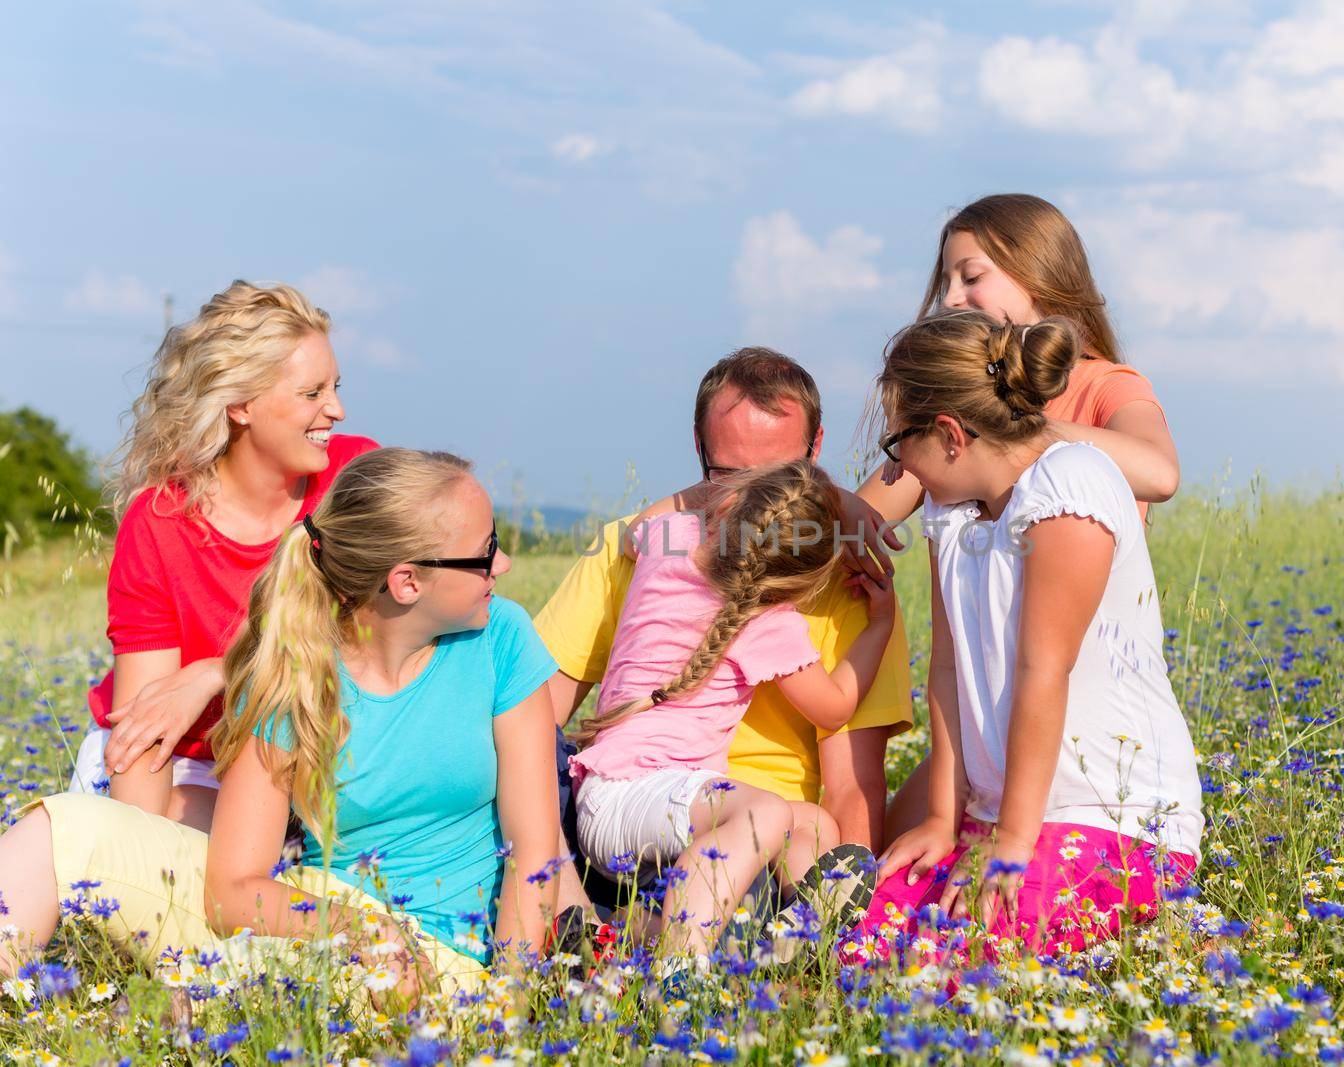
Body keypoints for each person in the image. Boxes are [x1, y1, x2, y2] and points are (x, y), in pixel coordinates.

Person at [1, 449, 562, 991]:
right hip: (315, 925)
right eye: (486, 551)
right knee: (66, 827)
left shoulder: (502, 640)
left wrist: (503, 1009)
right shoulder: (296, 669)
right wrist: (356, 929)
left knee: (313, 984)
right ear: (407, 581)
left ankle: (198, 1003)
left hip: (440, 965)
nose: (503, 565)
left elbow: (534, 852)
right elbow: (233, 887)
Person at [857, 312, 1203, 955]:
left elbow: (1045, 672)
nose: (898, 461)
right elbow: (949, 668)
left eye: (899, 440)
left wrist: (1013, 850)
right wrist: (943, 817)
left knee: (965, 966)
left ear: (951, 435)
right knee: (868, 946)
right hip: (995, 818)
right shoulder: (951, 509)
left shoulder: (1070, 485)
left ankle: (1183, 930)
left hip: (1112, 817)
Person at [856, 193, 1182, 842]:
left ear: (1039, 274)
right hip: (991, 710)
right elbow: (864, 517)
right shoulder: (953, 436)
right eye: (945, 281)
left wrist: (1019, 427)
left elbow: (1160, 472)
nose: (950, 297)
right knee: (892, 849)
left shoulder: (1106, 384)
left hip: (1079, 713)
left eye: (971, 277)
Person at [537, 348, 913, 910]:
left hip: (753, 836)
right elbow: (536, 719)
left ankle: (798, 933)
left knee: (811, 841)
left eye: (780, 475)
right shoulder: (636, 552)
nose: (744, 503)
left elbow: (853, 783)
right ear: (698, 446)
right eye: (729, 475)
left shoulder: (845, 576)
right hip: (655, 826)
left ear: (816, 450)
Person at [71, 280, 378, 830]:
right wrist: (144, 861)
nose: (337, 408)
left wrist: (218, 672)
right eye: (312, 393)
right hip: (184, 767)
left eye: (335, 386)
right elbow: (147, 729)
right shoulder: (161, 523)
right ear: (239, 405)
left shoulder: (354, 480)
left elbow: (376, 655)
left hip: (309, 756)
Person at [570, 461, 893, 955]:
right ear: (802, 583)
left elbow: (637, 526)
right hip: (633, 800)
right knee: (764, 810)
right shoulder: (770, 622)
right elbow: (834, 708)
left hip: (616, 803)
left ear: (723, 504)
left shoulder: (665, 540)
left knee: (815, 826)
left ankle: (793, 932)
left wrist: (717, 487)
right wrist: (879, 626)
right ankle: (681, 968)